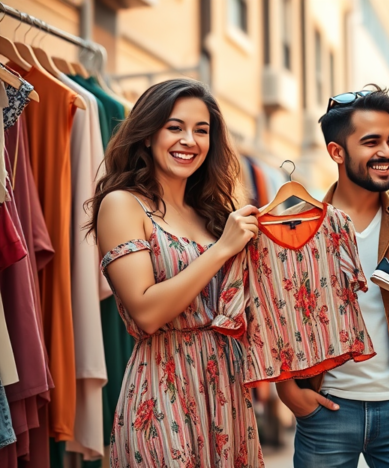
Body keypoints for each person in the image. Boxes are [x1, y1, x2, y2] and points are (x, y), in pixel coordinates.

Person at [275, 85, 389, 468]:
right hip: (325, 410)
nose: (387, 152)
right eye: (371, 141)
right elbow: (280, 315)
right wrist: (288, 391)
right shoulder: (297, 225)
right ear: (337, 152)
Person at [86, 79, 264, 467]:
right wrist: (222, 250)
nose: (189, 140)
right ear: (148, 134)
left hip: (226, 391)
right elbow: (146, 313)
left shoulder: (213, 214)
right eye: (175, 127)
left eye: (201, 130)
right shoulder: (123, 205)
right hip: (164, 387)